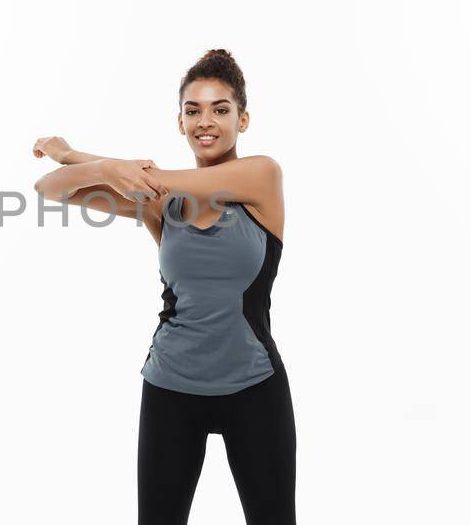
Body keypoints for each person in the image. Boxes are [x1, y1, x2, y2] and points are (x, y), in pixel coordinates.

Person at [31, 49, 294, 524]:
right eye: (192, 111)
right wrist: (90, 166)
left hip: (255, 388)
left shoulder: (263, 175)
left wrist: (83, 156)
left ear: (244, 119)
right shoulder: (161, 203)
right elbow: (48, 188)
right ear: (179, 122)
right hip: (171, 386)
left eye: (220, 109)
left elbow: (160, 179)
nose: (205, 121)